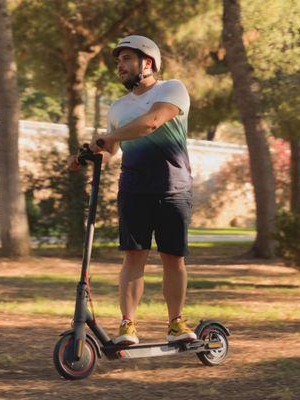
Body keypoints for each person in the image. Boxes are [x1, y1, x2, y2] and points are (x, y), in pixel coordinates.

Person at [72, 35, 196, 345]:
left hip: (173, 188)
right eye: (118, 62)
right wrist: (90, 154)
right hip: (134, 188)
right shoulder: (118, 108)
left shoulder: (172, 89)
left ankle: (176, 324)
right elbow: (111, 149)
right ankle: (128, 326)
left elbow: (152, 122)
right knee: (133, 258)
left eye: (126, 59)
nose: (120, 66)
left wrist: (106, 137)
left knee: (173, 258)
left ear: (148, 62)